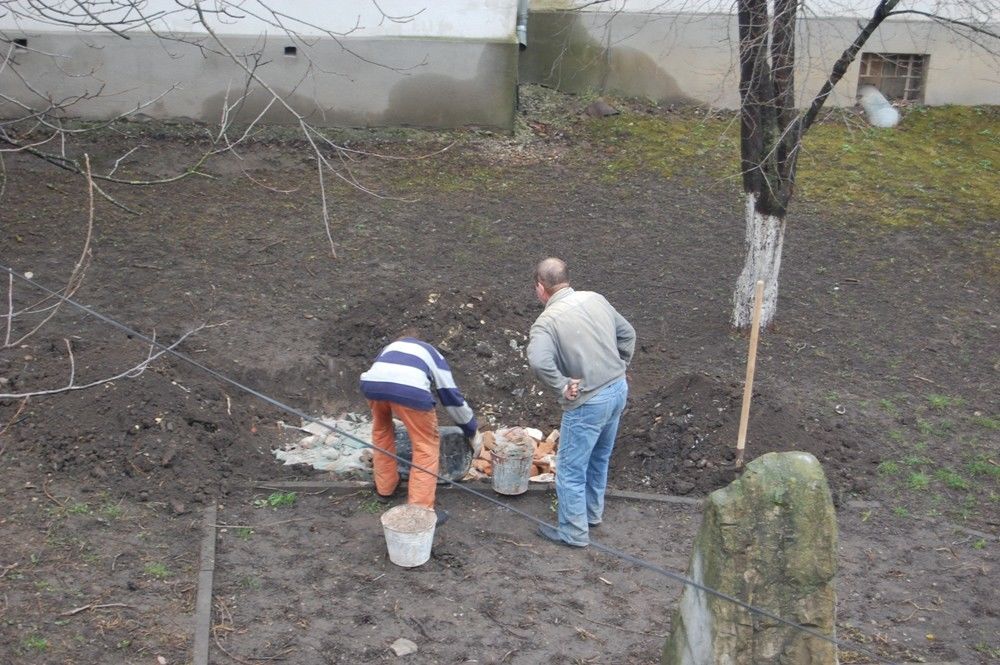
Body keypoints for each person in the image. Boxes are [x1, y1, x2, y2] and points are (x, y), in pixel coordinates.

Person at [527, 257, 635, 547]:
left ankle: (574, 533)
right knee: (599, 457)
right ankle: (591, 514)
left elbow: (538, 360)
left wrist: (562, 385)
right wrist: (619, 365)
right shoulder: (596, 299)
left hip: (588, 401)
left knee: (572, 469)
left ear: (540, 287)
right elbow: (628, 334)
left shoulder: (546, 323)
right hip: (617, 390)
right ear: (565, 278)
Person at [360, 331, 479, 526]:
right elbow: (450, 396)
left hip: (372, 386)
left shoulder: (389, 348)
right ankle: (420, 511)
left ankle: (385, 489)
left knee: (382, 432)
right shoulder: (431, 353)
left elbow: (382, 375)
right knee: (425, 446)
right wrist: (470, 428)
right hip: (411, 391)